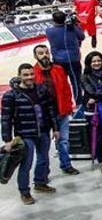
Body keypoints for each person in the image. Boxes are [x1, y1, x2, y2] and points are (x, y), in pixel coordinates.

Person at [1, 64, 59, 205]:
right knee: (26, 164)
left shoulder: (42, 90)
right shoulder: (11, 96)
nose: (29, 77)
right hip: (25, 134)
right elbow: (6, 119)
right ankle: (24, 192)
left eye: (31, 74)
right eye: (26, 75)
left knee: (44, 159)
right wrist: (7, 139)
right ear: (19, 75)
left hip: (43, 131)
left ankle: (40, 182)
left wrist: (55, 128)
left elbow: (51, 110)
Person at [32, 44, 78, 175]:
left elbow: (66, 89)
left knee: (63, 141)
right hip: (43, 116)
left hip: (61, 111)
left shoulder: (59, 69)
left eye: (46, 52)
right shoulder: (32, 73)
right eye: (41, 53)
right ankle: (42, 175)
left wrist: (69, 106)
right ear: (35, 56)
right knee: (43, 147)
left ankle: (66, 165)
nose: (44, 55)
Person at [45, 11, 85, 107]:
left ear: (53, 21)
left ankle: (64, 104)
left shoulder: (49, 31)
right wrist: (76, 24)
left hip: (58, 61)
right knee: (76, 82)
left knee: (61, 84)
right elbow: (82, 37)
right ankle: (78, 103)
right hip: (73, 59)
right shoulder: (72, 29)